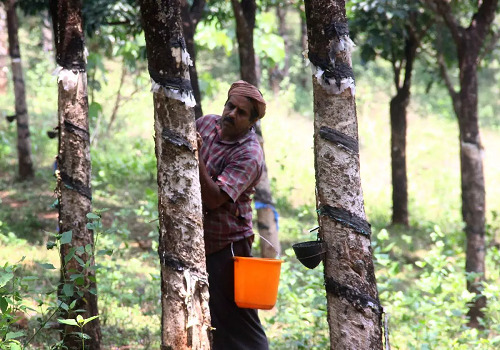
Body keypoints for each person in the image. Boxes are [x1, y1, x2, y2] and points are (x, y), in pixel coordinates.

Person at [196, 80, 269, 350]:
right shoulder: (205, 124)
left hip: (227, 246)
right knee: (210, 316)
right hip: (197, 242)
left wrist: (195, 155)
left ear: (251, 122)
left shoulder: (249, 154)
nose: (231, 114)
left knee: (240, 321)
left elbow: (215, 199)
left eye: (241, 113)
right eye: (230, 106)